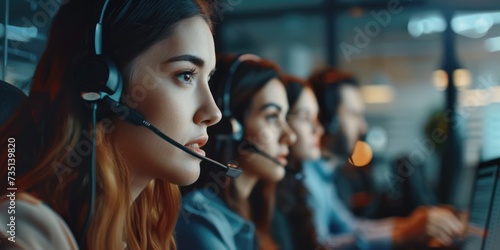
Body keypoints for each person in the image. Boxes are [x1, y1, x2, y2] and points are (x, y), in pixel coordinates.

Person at [0, 0, 221, 249]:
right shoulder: (26, 232)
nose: (213, 113)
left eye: (208, 78)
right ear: (102, 83)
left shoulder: (140, 233)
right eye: (186, 75)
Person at [302, 67, 465, 249]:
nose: (363, 128)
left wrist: (410, 224)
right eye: (355, 115)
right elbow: (319, 245)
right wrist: (404, 233)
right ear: (328, 120)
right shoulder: (307, 178)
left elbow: (353, 227)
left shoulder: (323, 177)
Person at [175, 54, 297, 250]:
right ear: (231, 127)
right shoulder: (199, 216)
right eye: (272, 117)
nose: (290, 136)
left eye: (285, 117)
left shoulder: (263, 211)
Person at [272, 74, 328, 250]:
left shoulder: (296, 182)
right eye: (305, 118)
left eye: (316, 117)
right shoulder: (271, 201)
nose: (318, 129)